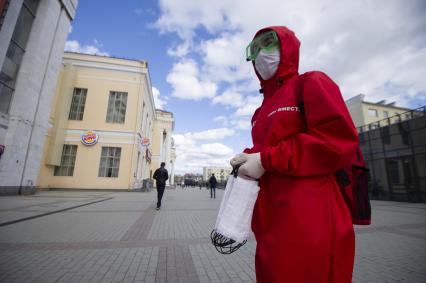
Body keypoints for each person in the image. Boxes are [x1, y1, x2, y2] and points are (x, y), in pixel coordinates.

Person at [230, 26, 359, 282]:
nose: (261, 54)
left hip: (310, 219)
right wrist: (247, 157)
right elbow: (268, 147)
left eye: (268, 43)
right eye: (254, 50)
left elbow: (337, 140)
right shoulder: (260, 111)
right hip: (270, 221)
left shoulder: (310, 83)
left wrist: (266, 159)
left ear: (288, 47)